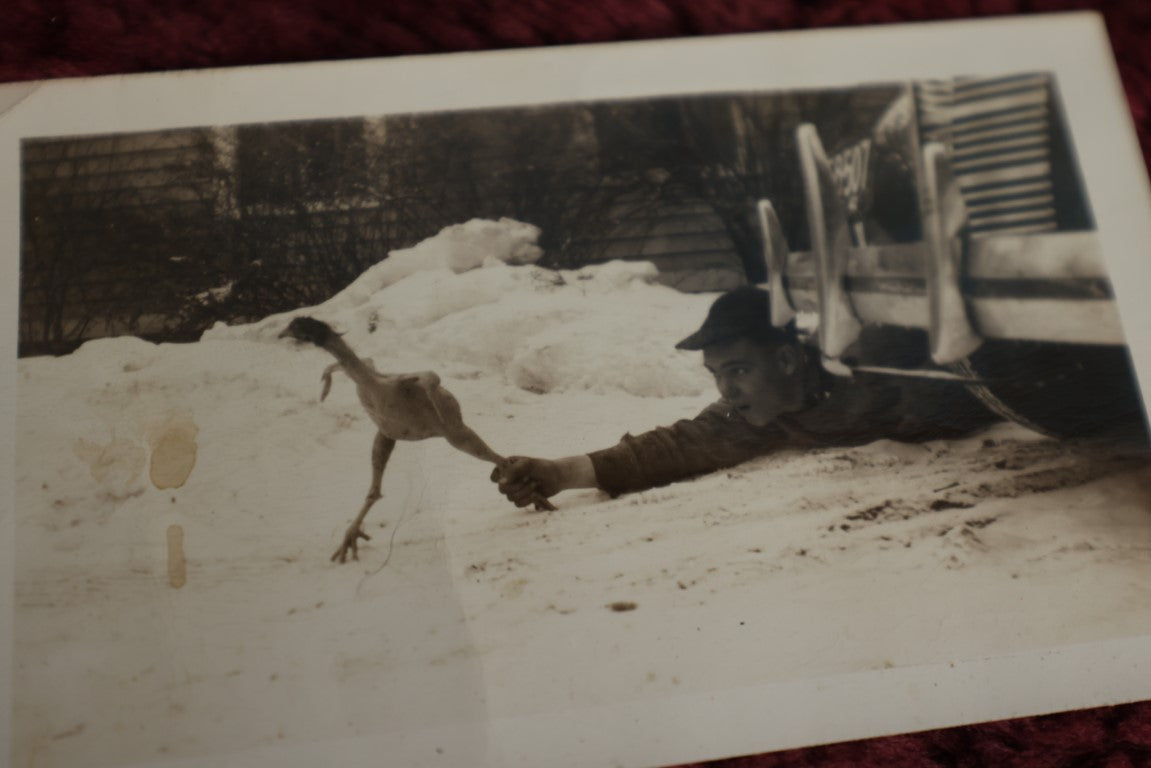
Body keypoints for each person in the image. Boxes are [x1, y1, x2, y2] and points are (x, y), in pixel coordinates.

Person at [492, 286, 998, 506]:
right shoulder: (764, 414)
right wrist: (560, 472)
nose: (725, 390)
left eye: (737, 370)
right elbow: (677, 445)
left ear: (786, 360)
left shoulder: (870, 361)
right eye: (716, 374)